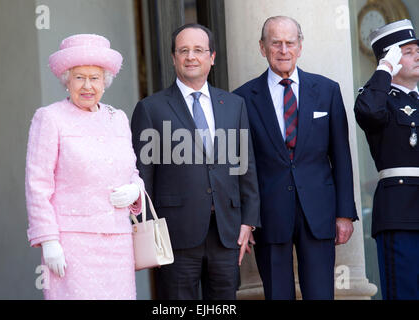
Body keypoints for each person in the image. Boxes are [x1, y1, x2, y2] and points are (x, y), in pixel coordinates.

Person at [131, 23, 260, 300]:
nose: (191, 56)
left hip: (226, 232)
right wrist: (147, 230)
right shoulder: (150, 109)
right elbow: (142, 177)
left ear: (211, 57)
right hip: (175, 234)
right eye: (184, 50)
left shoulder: (234, 105)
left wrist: (248, 221)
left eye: (199, 50)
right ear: (173, 58)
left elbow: (245, 165)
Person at [233, 16, 358, 300]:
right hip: (268, 213)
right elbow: (240, 164)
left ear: (300, 47)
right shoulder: (242, 98)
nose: (283, 50)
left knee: (321, 294)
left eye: (290, 43)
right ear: (262, 48)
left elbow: (341, 156)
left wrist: (344, 213)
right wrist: (246, 217)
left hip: (319, 211)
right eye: (275, 43)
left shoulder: (327, 91)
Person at [25, 34, 144, 300]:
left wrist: (135, 191)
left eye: (95, 77)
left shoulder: (118, 118)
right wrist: (49, 240)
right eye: (79, 77)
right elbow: (38, 185)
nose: (87, 85)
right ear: (67, 80)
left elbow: (132, 172)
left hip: (118, 243)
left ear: (105, 81)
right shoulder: (51, 118)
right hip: (72, 245)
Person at [354, 19, 419, 300]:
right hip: (400, 211)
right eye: (407, 51)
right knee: (404, 292)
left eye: (417, 49)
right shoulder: (378, 98)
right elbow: (369, 113)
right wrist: (384, 69)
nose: (417, 55)